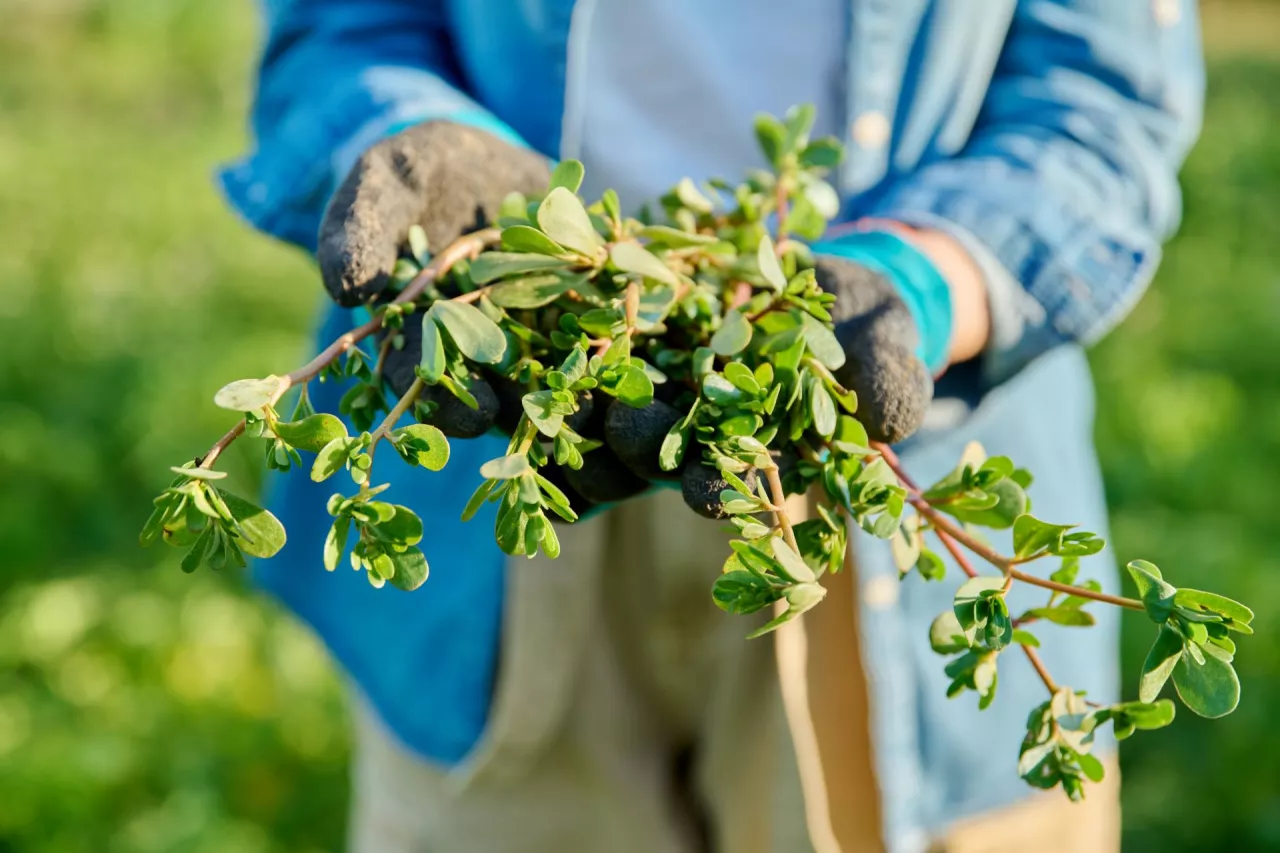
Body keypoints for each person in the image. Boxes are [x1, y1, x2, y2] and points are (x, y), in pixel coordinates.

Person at [219, 2, 1203, 851]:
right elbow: (339, 26)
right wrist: (409, 141)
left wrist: (919, 281)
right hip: (500, 447)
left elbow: (1099, 102)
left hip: (902, 501)